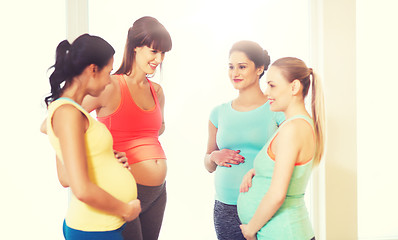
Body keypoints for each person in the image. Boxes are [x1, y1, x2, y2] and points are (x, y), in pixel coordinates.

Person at [78, 16, 172, 240]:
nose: (159, 59)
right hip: (124, 188)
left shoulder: (156, 91)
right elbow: (69, 120)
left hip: (158, 192)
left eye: (163, 53)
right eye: (153, 51)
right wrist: (103, 153)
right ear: (135, 47)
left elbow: (158, 128)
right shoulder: (109, 86)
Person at [44, 34, 141, 240]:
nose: (109, 81)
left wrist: (105, 157)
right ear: (92, 69)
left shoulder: (71, 111)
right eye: (108, 72)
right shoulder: (68, 114)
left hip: (100, 227)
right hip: (93, 229)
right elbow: (81, 189)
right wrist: (126, 209)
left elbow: (65, 177)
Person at [237, 57, 325, 240]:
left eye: (272, 85)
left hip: (284, 233)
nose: (267, 91)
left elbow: (277, 195)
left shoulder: (293, 129)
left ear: (294, 87)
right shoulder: (294, 125)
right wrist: (257, 172)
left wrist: (250, 229)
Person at [204, 40, 285, 240]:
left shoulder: (276, 111)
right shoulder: (218, 113)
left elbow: (288, 161)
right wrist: (214, 156)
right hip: (225, 208)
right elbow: (208, 164)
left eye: (242, 67)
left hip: (263, 205)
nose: (235, 73)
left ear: (259, 69)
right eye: (231, 67)